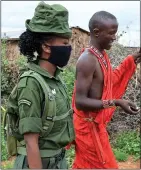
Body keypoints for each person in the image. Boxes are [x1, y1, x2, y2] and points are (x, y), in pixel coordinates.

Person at [6, 2, 75, 169]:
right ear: (46, 47)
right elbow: (31, 143)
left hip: (58, 162)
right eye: (65, 43)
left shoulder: (55, 80)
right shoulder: (31, 83)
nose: (69, 48)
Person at [71, 11, 141, 169]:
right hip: (87, 129)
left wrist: (133, 59)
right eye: (111, 33)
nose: (114, 37)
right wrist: (115, 102)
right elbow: (80, 102)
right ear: (96, 32)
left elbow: (110, 81)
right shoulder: (87, 60)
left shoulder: (101, 55)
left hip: (96, 127)